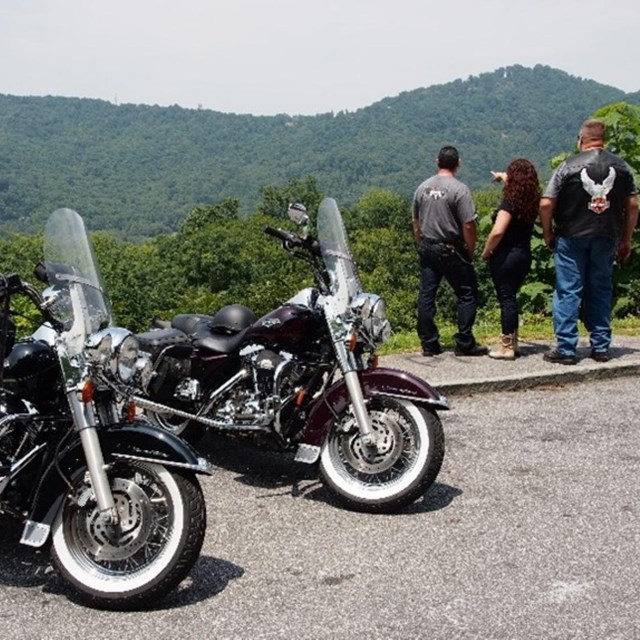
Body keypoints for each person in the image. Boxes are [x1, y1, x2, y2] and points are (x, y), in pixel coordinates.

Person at [540, 119, 638, 365]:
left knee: (568, 290)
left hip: (571, 236)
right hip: (607, 235)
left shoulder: (567, 166)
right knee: (601, 289)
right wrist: (626, 239)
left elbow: (546, 203)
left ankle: (566, 348)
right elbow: (633, 205)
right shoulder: (622, 167)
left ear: (581, 139)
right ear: (602, 139)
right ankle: (601, 346)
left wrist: (548, 233)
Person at [412, 145, 488, 356]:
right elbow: (469, 225)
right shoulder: (459, 189)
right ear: (458, 164)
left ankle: (429, 343)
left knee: (427, 294)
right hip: (451, 247)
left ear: (437, 162)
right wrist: (470, 250)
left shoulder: (422, 188)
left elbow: (415, 221)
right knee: (467, 293)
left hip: (428, 246)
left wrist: (421, 242)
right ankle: (465, 342)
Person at [481, 159, 541, 360]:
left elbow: (498, 231)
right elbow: (514, 182)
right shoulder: (531, 200)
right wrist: (502, 176)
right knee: (511, 299)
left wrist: (487, 251)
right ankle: (513, 342)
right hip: (524, 255)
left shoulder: (509, 203)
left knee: (506, 300)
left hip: (506, 256)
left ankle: (506, 347)